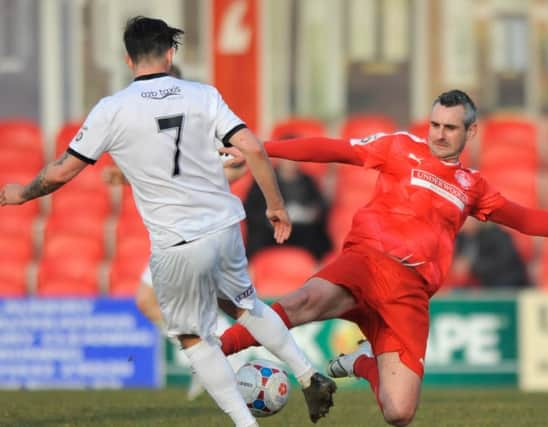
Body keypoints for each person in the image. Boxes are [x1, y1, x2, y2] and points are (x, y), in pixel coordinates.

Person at [217, 89, 548, 426]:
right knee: (300, 303)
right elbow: (334, 149)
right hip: (366, 262)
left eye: (450, 128)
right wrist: (261, 149)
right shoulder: (399, 147)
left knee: (399, 413)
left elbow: (524, 218)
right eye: (435, 124)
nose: (439, 134)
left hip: (410, 295)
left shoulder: (473, 186)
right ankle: (214, 351)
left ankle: (361, 363)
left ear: (469, 133)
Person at [0, 16, 336, 427]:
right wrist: (275, 205)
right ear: (170, 53)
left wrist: (23, 193)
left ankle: (245, 424)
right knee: (242, 305)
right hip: (226, 227)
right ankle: (307, 374)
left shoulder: (112, 109)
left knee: (192, 336)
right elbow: (251, 147)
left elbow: (61, 172)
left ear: (127, 59)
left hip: (178, 242)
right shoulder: (204, 95)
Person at [104, 144, 250, 401]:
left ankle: (221, 355)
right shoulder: (172, 143)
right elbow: (158, 176)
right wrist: (126, 176)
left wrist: (247, 157)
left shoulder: (193, 142)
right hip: (171, 238)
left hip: (194, 239)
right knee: (148, 302)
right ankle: (207, 358)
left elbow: (233, 172)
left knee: (205, 303)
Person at [244, 155, 331, 260]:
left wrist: (310, 213)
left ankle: (316, 266)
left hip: (301, 229)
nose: (291, 163)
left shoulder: (307, 180)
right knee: (258, 237)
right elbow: (251, 209)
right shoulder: (264, 180)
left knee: (317, 238)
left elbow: (319, 206)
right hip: (271, 230)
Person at [445, 218, 530, 290]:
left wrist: (472, 266)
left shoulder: (496, 235)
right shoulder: (462, 238)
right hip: (483, 287)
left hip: (509, 285)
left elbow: (504, 262)